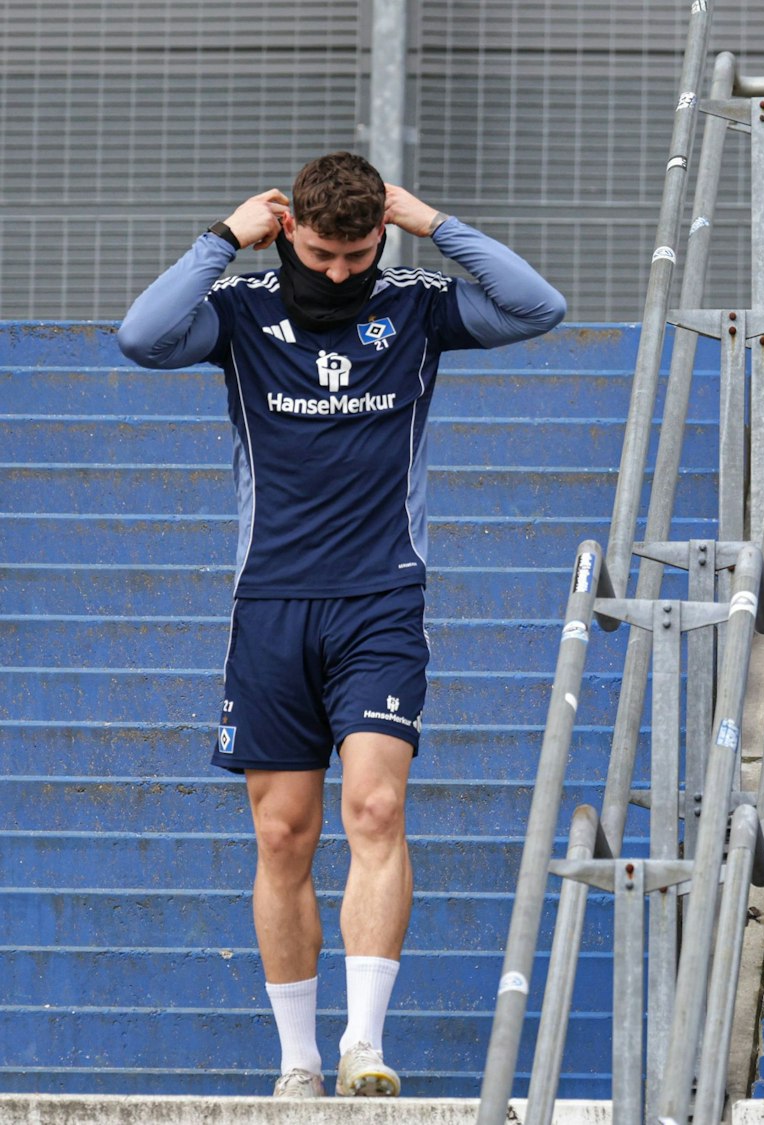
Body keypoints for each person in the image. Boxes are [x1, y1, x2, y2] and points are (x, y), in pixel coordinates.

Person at [117, 152, 566, 1098]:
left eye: (357, 254)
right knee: (283, 833)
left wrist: (434, 223)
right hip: (272, 604)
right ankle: (299, 1063)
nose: (338, 272)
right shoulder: (241, 312)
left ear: (381, 236)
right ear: (288, 232)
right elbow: (141, 336)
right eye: (321, 254)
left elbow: (538, 307)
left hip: (380, 601)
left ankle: (364, 1042)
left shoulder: (414, 306)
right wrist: (219, 239)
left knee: (376, 808)